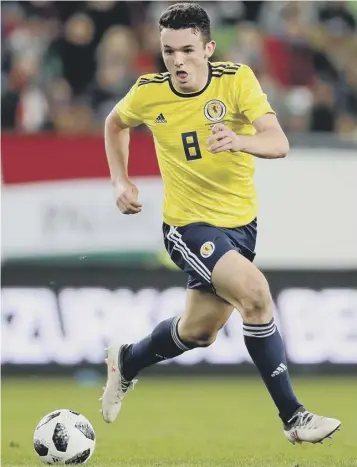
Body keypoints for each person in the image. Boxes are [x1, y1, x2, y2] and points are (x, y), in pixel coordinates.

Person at [101, 2, 341, 444]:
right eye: (168, 51)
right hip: (188, 227)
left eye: (187, 50)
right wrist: (121, 180)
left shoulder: (237, 81)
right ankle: (295, 418)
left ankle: (127, 361)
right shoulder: (148, 91)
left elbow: (279, 142)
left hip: (240, 227)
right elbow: (115, 123)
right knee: (256, 294)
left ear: (209, 48)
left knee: (199, 332)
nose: (177, 61)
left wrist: (240, 140)